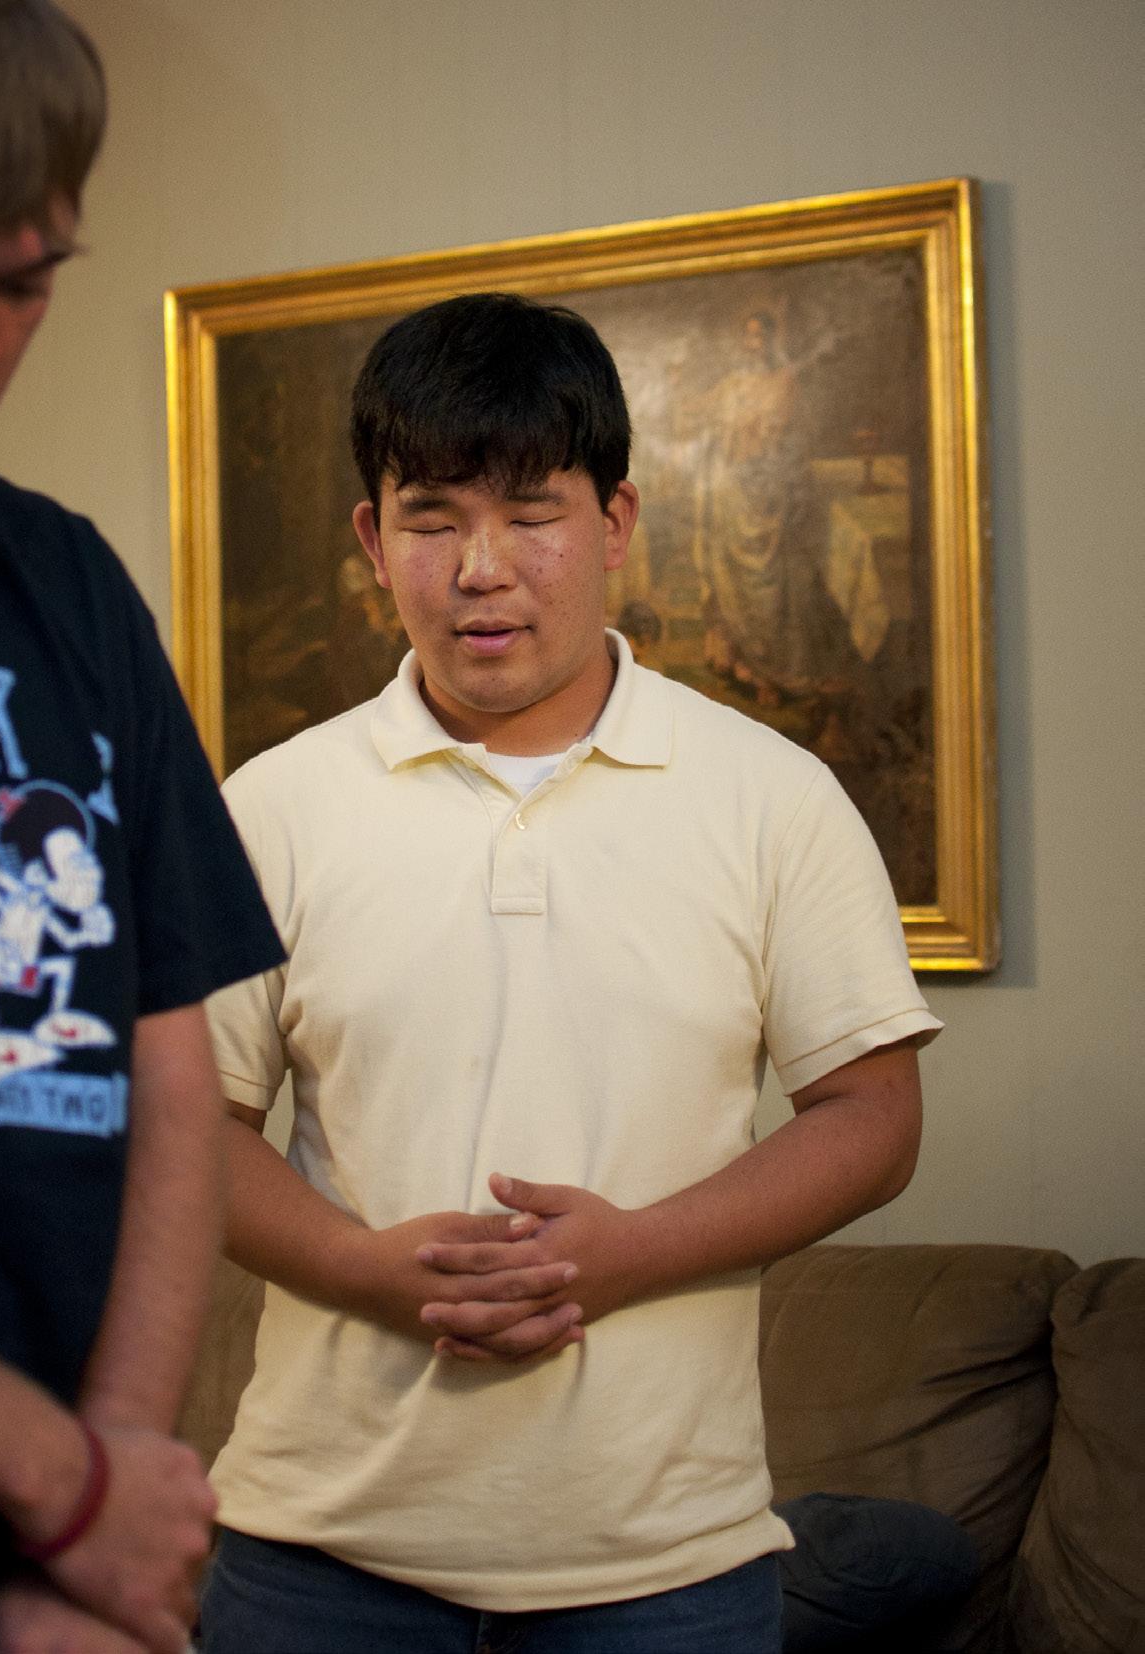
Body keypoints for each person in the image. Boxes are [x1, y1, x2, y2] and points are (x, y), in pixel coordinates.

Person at [200, 291, 942, 1653]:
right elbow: (192, 1131)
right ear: (372, 540)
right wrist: (368, 1271)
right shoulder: (267, 809)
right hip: (313, 1557)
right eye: (432, 519)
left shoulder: (774, 796)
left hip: (670, 1566)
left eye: (532, 512)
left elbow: (874, 1117)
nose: (482, 568)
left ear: (615, 521)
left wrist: (632, 1254)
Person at [0, 5, 283, 1650]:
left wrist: (94, 1519)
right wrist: (70, 1489)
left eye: (28, 280)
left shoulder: (67, 583)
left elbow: (169, 1072)